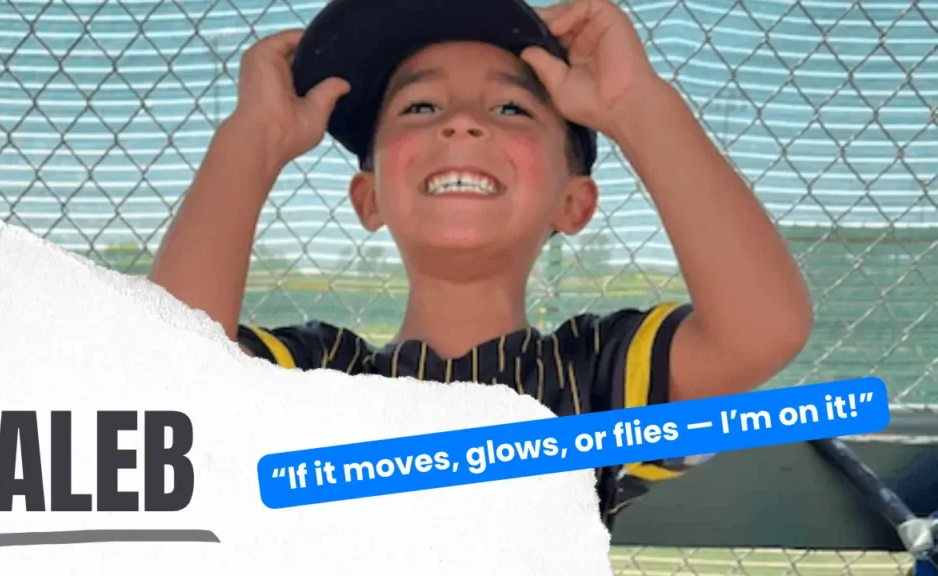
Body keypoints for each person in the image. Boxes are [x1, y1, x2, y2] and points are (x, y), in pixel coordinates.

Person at [150, 0, 813, 525]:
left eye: (509, 107)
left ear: (573, 203)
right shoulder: (317, 374)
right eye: (421, 106)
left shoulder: (593, 381)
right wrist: (251, 139)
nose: (461, 124)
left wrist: (637, 106)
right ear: (368, 196)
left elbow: (761, 328)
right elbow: (157, 375)